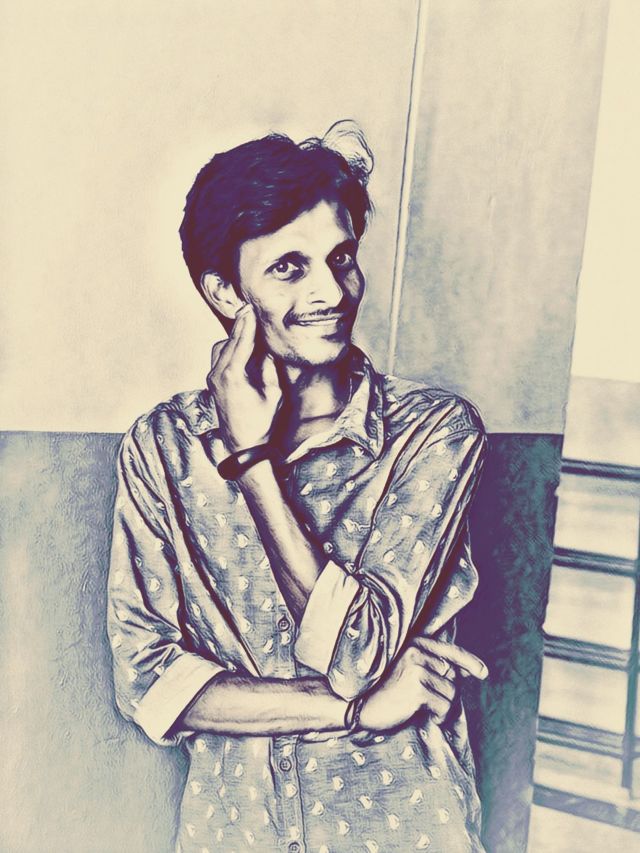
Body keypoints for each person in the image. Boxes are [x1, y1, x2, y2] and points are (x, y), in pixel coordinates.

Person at [107, 120, 489, 853]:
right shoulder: (162, 446)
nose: (331, 291)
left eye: (341, 259)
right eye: (289, 267)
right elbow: (149, 681)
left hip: (402, 828)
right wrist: (355, 710)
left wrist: (252, 462)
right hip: (234, 834)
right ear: (226, 292)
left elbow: (355, 650)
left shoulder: (433, 432)